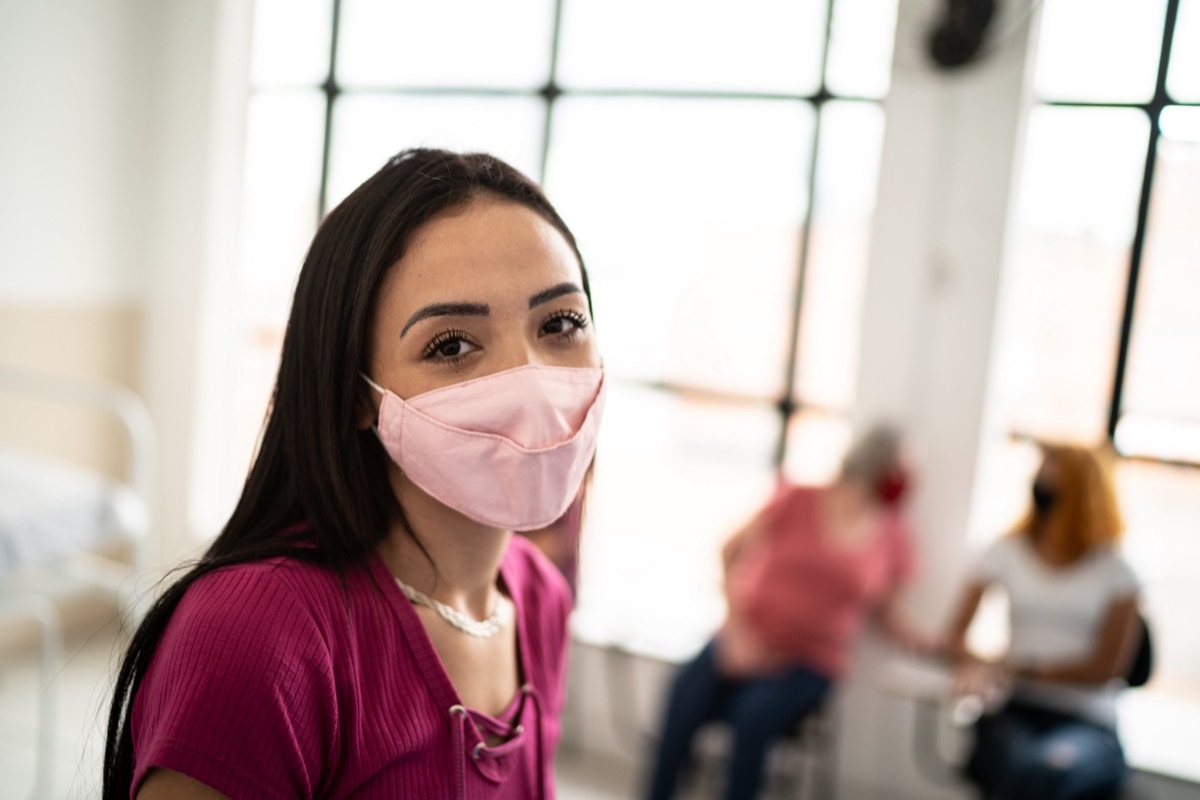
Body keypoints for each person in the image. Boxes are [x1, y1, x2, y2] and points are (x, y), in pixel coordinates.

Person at [102, 148, 606, 800]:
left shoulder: (540, 597)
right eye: (450, 345)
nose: (529, 381)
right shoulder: (256, 637)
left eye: (560, 322)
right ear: (359, 392)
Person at [645, 424, 939, 800]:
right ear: (878, 462)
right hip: (744, 637)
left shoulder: (894, 534)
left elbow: (887, 616)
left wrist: (938, 645)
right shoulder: (799, 497)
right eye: (904, 467)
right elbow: (730, 549)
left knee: (754, 715)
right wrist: (738, 634)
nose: (909, 480)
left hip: (811, 661)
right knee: (685, 695)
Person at [943, 443, 1142, 800]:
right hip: (1015, 708)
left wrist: (1022, 667)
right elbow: (954, 632)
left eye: (1054, 481)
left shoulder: (1116, 572)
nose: (1043, 488)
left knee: (1044, 771)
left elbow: (1108, 667)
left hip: (1086, 721)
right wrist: (979, 666)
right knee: (1014, 765)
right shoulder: (1007, 550)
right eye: (1040, 479)